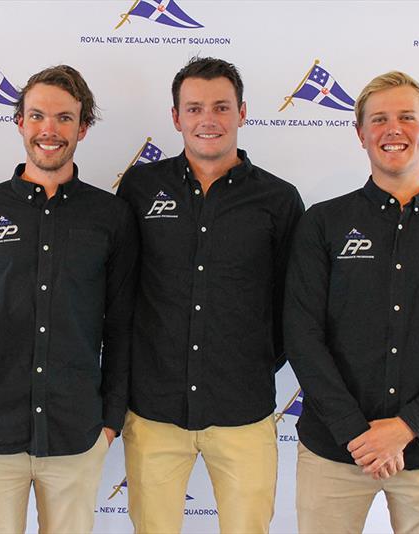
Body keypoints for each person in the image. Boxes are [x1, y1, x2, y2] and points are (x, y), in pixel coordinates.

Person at [284, 71, 419, 534]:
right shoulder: (323, 224)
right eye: (379, 119)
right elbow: (302, 335)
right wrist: (356, 433)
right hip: (336, 450)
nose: (393, 129)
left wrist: (406, 428)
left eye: (407, 116)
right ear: (360, 132)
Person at [0, 65, 138, 534]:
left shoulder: (111, 218)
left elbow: (122, 326)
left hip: (77, 434)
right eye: (38, 116)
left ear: (83, 127)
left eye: (64, 118)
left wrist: (109, 422)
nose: (50, 129)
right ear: (20, 122)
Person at [116, 57, 304, 534]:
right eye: (194, 108)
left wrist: (253, 359)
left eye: (221, 107)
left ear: (242, 112)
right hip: (154, 411)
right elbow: (120, 290)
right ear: (176, 117)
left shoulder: (279, 200)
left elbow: (291, 304)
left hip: (243, 412)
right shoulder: (140, 188)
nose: (208, 120)